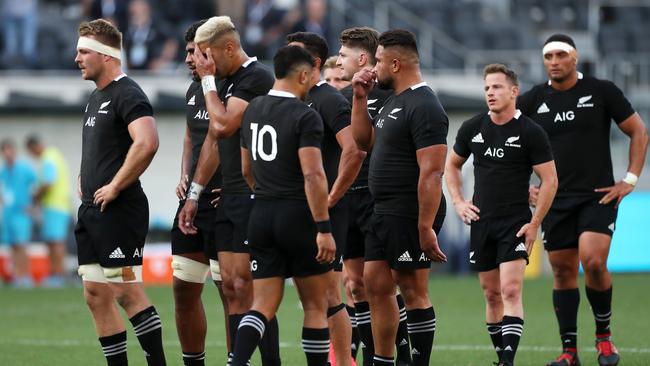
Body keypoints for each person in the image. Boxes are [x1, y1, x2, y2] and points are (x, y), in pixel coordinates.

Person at [517, 34, 649, 366]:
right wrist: (523, 187)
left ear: (574, 58)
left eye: (561, 55)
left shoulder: (602, 91)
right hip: (555, 201)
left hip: (597, 197)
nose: (554, 61)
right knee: (562, 271)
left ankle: (604, 339)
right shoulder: (533, 99)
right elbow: (507, 140)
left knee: (592, 261)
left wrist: (630, 179)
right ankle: (569, 352)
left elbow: (638, 131)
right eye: (548, 56)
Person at [177, 15, 279, 366]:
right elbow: (210, 140)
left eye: (207, 56)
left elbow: (222, 124)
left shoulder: (256, 77)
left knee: (253, 291)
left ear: (229, 48)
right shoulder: (223, 80)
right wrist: (194, 193)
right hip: (230, 196)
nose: (202, 64)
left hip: (256, 196)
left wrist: (207, 80)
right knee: (235, 287)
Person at [446, 64, 558, 366]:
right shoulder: (473, 127)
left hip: (516, 223)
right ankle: (501, 356)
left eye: (497, 87)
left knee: (510, 289)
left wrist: (535, 224)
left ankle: (507, 361)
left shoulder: (531, 132)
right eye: (486, 88)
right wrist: (458, 201)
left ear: (513, 91)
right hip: (482, 223)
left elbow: (550, 180)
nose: (490, 93)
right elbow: (452, 166)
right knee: (491, 294)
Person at [233, 44, 336, 366]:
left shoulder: (252, 109)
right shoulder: (306, 115)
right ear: (304, 75)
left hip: (260, 213)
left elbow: (246, 169)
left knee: (262, 305)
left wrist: (266, 194)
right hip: (298, 217)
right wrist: (323, 228)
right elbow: (314, 175)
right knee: (315, 307)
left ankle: (236, 362)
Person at [350, 29, 448, 366]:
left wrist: (425, 226)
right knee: (375, 284)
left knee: (413, 291)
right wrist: (359, 97)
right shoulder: (393, 101)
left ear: (395, 63)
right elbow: (363, 143)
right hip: (383, 211)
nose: (373, 68)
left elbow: (432, 172)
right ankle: (382, 361)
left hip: (410, 211)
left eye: (377, 61)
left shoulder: (425, 105)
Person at [74, 18, 166, 365]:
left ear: (107, 56)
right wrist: (87, 176)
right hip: (92, 209)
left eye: (84, 51)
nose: (77, 58)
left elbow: (148, 142)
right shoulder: (97, 96)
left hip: (120, 208)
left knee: (126, 291)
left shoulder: (129, 93)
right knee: (96, 293)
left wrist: (114, 185)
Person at [286, 31, 366, 366]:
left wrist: (333, 195)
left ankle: (344, 362)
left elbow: (355, 149)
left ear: (314, 63)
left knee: (332, 294)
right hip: (296, 209)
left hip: (328, 211)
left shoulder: (329, 99)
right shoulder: (290, 99)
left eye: (295, 55)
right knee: (311, 298)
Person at [336, 26, 410, 366]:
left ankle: (400, 354)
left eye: (344, 56)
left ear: (362, 58)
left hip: (376, 200)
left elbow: (361, 151)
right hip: (349, 200)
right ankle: (371, 357)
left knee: (385, 287)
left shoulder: (392, 96)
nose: (339, 62)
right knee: (355, 285)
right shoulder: (350, 96)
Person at [169, 19, 231, 366]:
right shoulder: (193, 91)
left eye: (196, 51)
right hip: (192, 202)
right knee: (183, 288)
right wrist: (183, 174)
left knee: (229, 293)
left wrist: (240, 184)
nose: (190, 58)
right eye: (188, 51)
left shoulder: (234, 87)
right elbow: (192, 136)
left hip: (225, 202)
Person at [25, 135, 72, 288]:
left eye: (32, 152)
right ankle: (57, 274)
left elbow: (48, 182)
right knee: (55, 241)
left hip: (55, 205)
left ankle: (58, 275)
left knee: (55, 241)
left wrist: (36, 196)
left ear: (35, 147)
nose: (34, 156)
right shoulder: (55, 154)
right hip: (61, 204)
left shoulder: (48, 158)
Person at [0, 139, 37, 288]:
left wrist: (32, 205)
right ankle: (17, 276)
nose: (8, 153)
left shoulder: (25, 169)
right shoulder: (2, 171)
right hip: (8, 214)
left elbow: (36, 186)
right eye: (5, 150)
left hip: (22, 212)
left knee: (22, 245)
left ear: (14, 151)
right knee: (13, 245)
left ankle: (25, 276)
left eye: (11, 150)